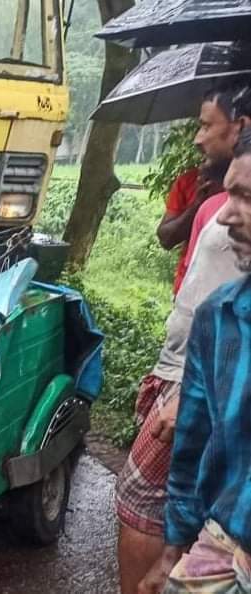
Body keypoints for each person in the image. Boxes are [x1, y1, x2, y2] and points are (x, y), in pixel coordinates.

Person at [116, 85, 250, 594]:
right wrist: (173, 552)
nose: (227, 214)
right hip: (226, 540)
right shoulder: (222, 317)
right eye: (231, 195)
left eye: (247, 199)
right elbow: (194, 439)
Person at [156, 89, 245, 294]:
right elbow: (166, 238)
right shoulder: (192, 185)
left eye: (207, 126)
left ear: (239, 127)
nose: (197, 139)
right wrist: (198, 204)